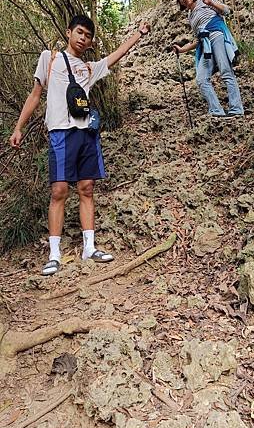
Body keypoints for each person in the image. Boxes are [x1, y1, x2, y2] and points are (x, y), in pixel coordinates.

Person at [10, 15, 150, 276]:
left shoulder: (88, 68)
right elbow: (35, 95)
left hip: (86, 133)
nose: (83, 38)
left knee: (86, 188)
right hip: (61, 133)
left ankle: (89, 247)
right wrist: (18, 128)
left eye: (88, 35)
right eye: (80, 33)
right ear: (69, 32)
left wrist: (139, 34)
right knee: (59, 190)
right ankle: (54, 254)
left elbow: (115, 56)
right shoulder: (49, 59)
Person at [173, 0, 244, 119]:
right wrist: (182, 49)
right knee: (201, 79)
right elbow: (197, 39)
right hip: (205, 45)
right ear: (180, 2)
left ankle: (236, 108)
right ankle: (217, 110)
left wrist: (211, 2)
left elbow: (227, 11)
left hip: (217, 36)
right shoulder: (190, 16)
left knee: (226, 71)